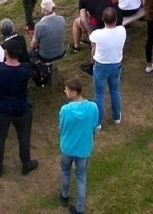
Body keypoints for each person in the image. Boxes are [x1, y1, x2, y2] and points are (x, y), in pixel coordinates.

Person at [0, 41, 38, 177]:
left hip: (3, 109)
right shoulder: (25, 69)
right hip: (21, 109)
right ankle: (25, 164)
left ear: (6, 53)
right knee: (23, 138)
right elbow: (30, 71)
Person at [58, 77, 99, 214]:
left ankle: (64, 196)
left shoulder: (65, 110)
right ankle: (79, 208)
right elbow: (94, 126)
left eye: (67, 90)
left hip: (68, 147)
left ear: (74, 92)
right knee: (81, 177)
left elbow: (62, 127)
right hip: (84, 148)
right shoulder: (93, 108)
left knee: (65, 171)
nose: (65, 91)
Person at [88, 7, 125, 125]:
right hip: (116, 64)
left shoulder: (97, 34)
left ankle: (98, 122)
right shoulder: (122, 30)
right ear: (116, 19)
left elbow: (92, 42)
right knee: (115, 90)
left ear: (103, 19)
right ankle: (117, 116)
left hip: (101, 66)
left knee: (99, 93)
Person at [33, 0, 67, 64]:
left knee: (30, 54)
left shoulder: (39, 26)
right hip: (61, 52)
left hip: (46, 57)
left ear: (42, 10)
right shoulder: (61, 19)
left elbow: (34, 45)